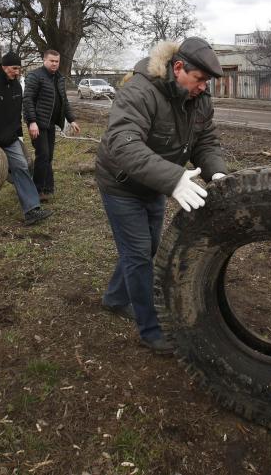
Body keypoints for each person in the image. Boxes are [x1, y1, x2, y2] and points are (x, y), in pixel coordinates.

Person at [94, 36, 228, 353]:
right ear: (178, 68)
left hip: (157, 182)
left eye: (206, 82)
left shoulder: (199, 100)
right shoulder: (140, 91)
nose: (202, 88)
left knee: (147, 247)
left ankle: (114, 297)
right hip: (122, 182)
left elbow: (205, 142)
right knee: (140, 254)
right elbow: (124, 146)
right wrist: (173, 179)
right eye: (199, 80)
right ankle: (150, 330)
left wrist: (217, 172)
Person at [0, 52, 53, 225]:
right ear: (4, 67)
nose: (17, 72)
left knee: (21, 167)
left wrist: (19, 134)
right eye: (14, 68)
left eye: (19, 69)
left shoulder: (16, 87)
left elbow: (15, 114)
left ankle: (31, 210)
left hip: (9, 138)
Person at [22, 49, 81, 200]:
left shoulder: (59, 78)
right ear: (44, 60)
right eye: (51, 61)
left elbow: (64, 101)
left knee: (49, 157)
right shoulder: (35, 76)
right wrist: (32, 122)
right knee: (43, 155)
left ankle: (47, 188)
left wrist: (72, 119)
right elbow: (27, 100)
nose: (54, 64)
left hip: (50, 124)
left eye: (57, 61)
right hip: (38, 124)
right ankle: (35, 191)